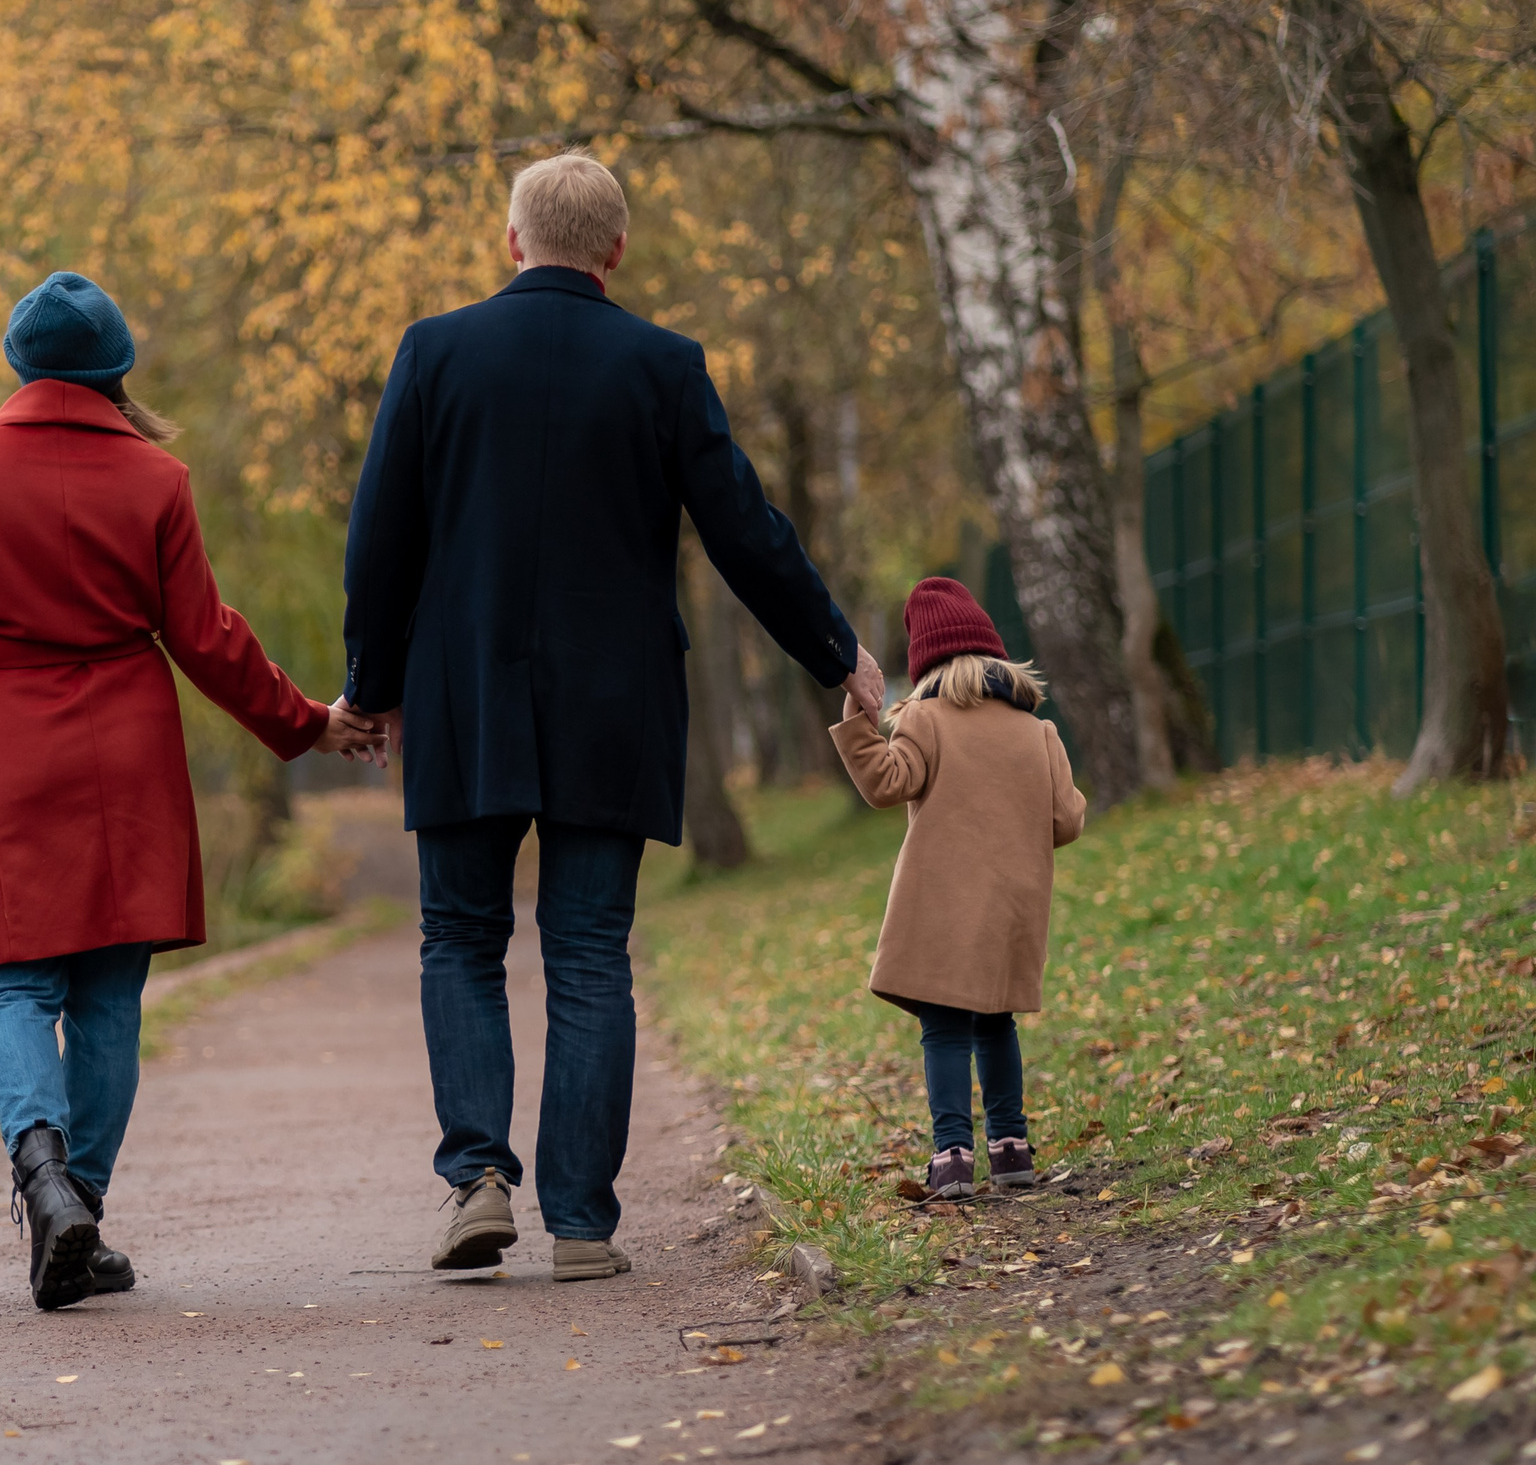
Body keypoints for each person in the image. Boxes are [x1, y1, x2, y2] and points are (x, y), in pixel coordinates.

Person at [337, 149, 885, 1281]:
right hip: (612, 702)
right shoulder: (662, 365)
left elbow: (380, 538)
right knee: (589, 953)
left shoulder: (435, 352)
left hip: (467, 694)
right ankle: (583, 1223)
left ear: (513, 241)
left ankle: (477, 1179)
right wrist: (837, 651)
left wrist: (372, 684)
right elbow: (745, 530)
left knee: (461, 939)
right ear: (616, 250)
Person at [0, 271, 381, 1312]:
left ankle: (46, 1182)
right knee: (107, 996)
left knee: (12, 986)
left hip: (9, 753)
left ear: (18, 364)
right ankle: (79, 1207)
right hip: (130, 756)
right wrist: (303, 722)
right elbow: (207, 638)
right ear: (115, 368)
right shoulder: (156, 479)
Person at [829, 577, 1085, 1199]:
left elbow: (887, 783)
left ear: (925, 662)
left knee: (944, 1029)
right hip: (1012, 908)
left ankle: (951, 1158)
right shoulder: (1037, 732)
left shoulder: (924, 718)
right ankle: (1012, 1148)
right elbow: (1067, 820)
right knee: (997, 1023)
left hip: (944, 907)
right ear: (993, 654)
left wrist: (859, 720)